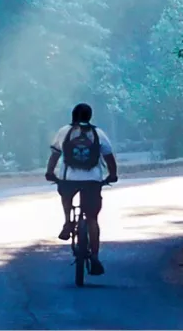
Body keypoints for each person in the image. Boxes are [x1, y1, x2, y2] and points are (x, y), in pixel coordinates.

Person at [46, 102, 117, 275]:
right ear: (89, 116)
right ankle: (94, 256)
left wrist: (49, 172)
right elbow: (109, 158)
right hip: (92, 180)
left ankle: (68, 222)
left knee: (65, 193)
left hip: (69, 179)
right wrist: (112, 175)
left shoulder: (64, 132)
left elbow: (55, 154)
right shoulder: (98, 133)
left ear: (73, 115)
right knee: (92, 218)